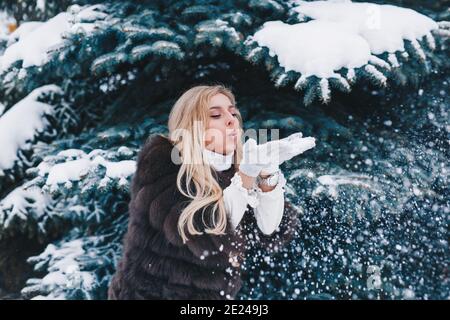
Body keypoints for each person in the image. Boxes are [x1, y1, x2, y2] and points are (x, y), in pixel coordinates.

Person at [108, 84, 316, 299]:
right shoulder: (164, 163)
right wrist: (247, 173)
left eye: (233, 112)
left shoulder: (232, 171)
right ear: (193, 126)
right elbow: (205, 234)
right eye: (216, 115)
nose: (231, 119)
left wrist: (267, 174)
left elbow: (268, 230)